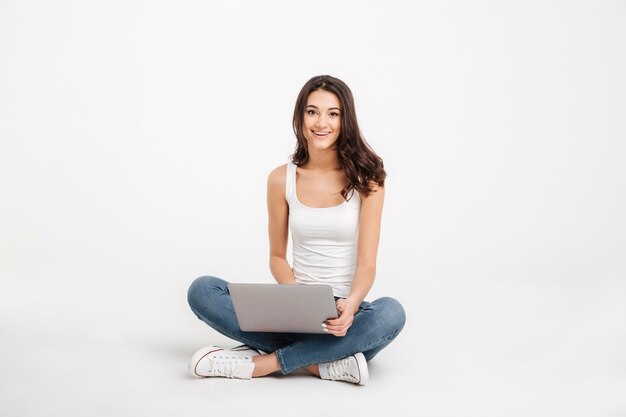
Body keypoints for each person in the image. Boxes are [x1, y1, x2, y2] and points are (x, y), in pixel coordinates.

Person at [187, 75, 406, 385]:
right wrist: (294, 297)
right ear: (300, 117)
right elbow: (277, 256)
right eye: (312, 111)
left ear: (346, 120)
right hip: (293, 307)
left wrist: (352, 304)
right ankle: (324, 363)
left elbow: (367, 262)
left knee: (391, 313)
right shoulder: (281, 178)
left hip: (344, 316)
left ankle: (262, 363)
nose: (322, 122)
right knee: (202, 290)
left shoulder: (368, 181)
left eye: (333, 113)